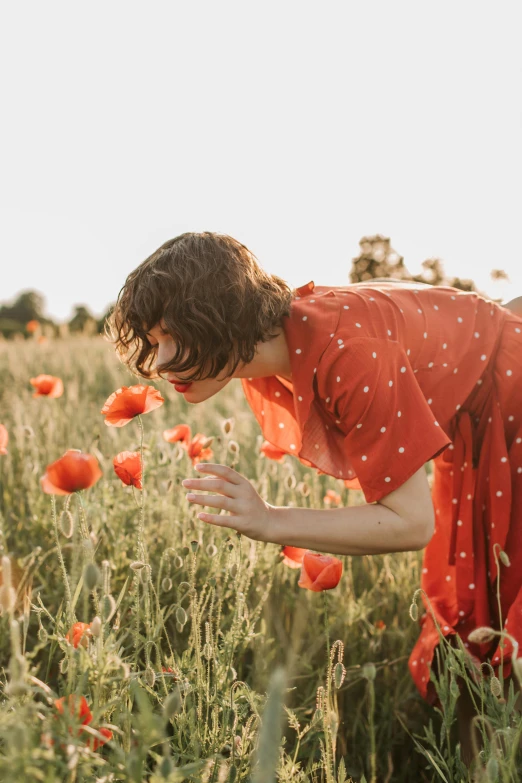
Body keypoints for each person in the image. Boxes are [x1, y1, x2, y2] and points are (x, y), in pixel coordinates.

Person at [109, 231, 522, 766]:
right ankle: (482, 768)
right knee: (470, 607)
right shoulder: (288, 334)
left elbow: (410, 524)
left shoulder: (347, 354)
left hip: (511, 401)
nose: (160, 363)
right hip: (476, 409)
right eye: (153, 340)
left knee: (503, 604)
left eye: (172, 337)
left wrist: (271, 520)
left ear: (220, 316)